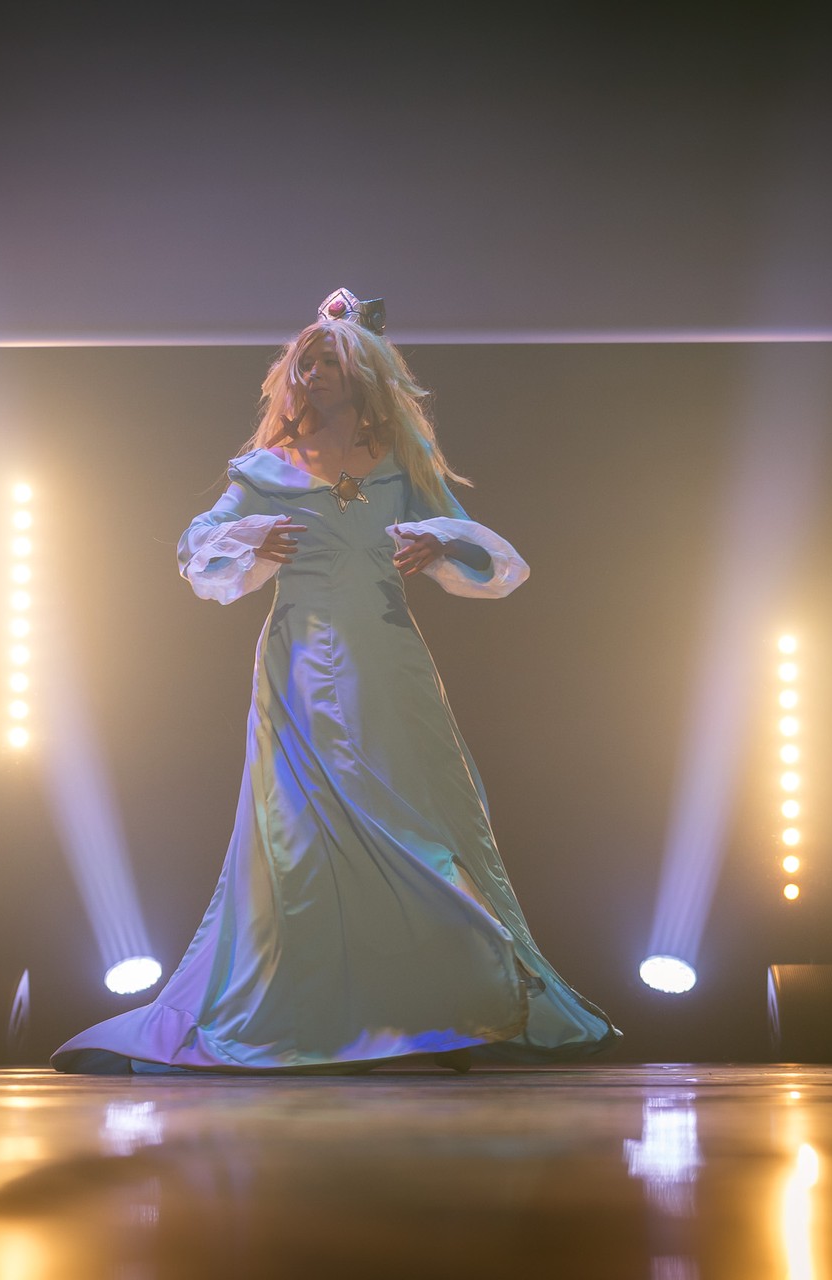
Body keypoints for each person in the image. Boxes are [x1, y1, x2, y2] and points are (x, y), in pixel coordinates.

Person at [51, 290, 619, 1073]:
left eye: (326, 362)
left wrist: (436, 540)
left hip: (387, 660)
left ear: (361, 373)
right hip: (297, 666)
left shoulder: (402, 464)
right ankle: (318, 1012)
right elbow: (194, 545)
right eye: (304, 362)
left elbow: (478, 547)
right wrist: (252, 536)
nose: (311, 373)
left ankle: (444, 1002)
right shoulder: (267, 470)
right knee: (303, 836)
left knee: (415, 821)